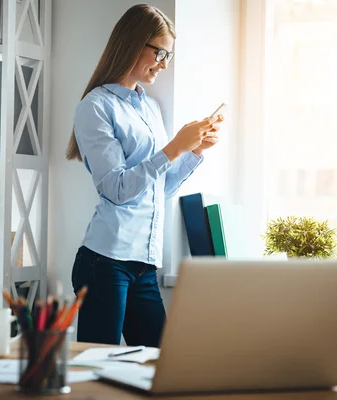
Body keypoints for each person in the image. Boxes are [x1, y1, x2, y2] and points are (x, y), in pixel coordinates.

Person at [66, 4, 223, 347]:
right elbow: (116, 189)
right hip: (105, 262)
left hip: (144, 264)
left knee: (157, 364)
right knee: (96, 367)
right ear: (134, 44)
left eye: (169, 55)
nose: (165, 64)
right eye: (160, 52)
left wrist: (193, 151)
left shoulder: (150, 107)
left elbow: (156, 190)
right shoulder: (95, 106)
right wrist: (174, 148)